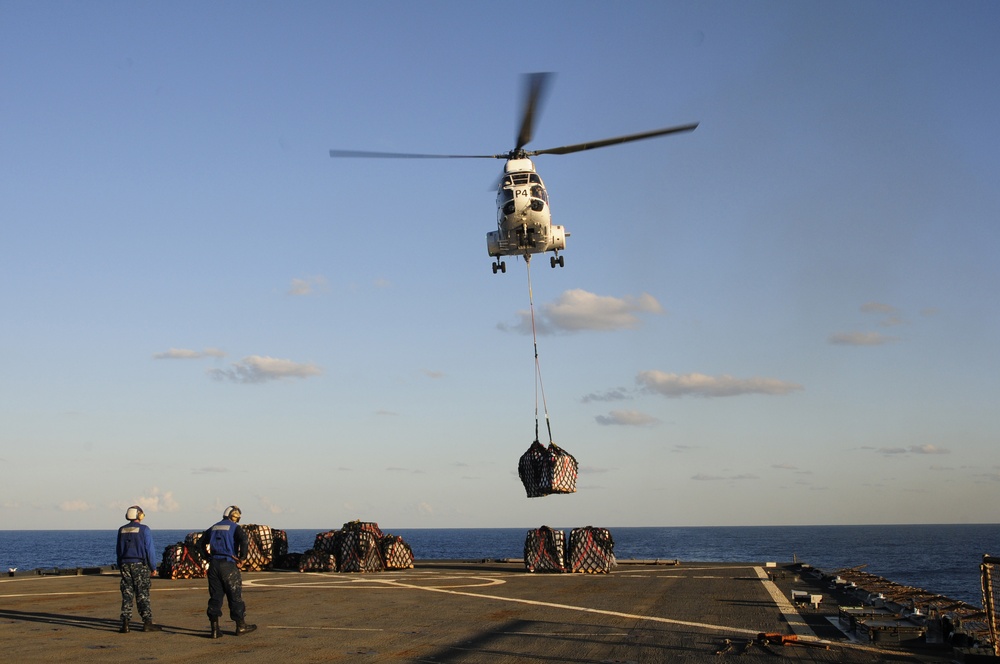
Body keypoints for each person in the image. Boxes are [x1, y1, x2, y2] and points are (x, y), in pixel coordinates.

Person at [200, 505, 257, 638]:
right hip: (228, 565)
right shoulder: (235, 527)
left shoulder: (214, 527)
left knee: (215, 597)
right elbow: (244, 540)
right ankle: (241, 626)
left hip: (214, 565)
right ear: (235, 516)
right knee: (235, 596)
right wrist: (242, 558)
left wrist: (207, 557)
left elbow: (200, 542)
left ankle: (214, 629)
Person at [116, 505, 162, 633]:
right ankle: (147, 622)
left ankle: (125, 623)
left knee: (127, 594)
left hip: (125, 564)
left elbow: (118, 550)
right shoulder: (144, 530)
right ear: (139, 515)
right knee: (142, 594)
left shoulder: (121, 530)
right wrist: (153, 567)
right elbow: (149, 550)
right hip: (139, 565)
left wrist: (120, 564)